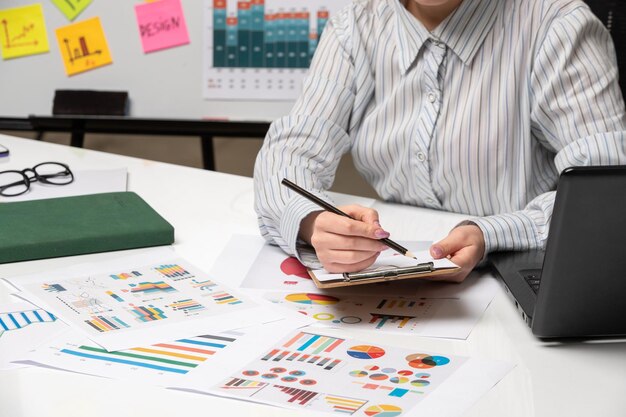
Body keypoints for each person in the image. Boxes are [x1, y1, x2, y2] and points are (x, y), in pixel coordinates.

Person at [253, 0, 626, 282]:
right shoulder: (358, 23)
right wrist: (312, 222)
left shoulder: (557, 26)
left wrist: (492, 232)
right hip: (399, 273)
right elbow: (288, 154)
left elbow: (606, 195)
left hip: (522, 274)